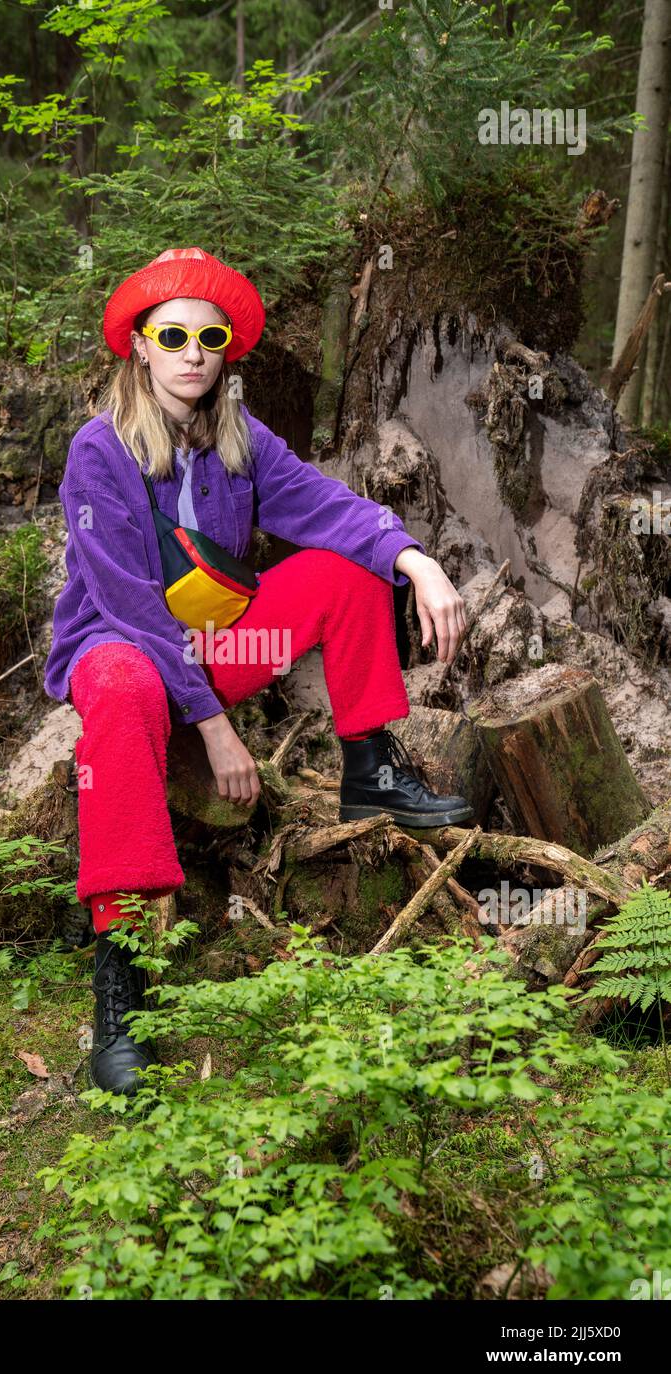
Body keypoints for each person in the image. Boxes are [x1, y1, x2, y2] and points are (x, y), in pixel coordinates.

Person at [43, 246, 473, 1095]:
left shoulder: (240, 439)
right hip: (117, 651)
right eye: (173, 334)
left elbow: (329, 509)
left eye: (210, 335)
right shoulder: (100, 451)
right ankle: (120, 990)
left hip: (213, 645)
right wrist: (213, 728)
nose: (193, 350)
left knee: (346, 571)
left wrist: (416, 561)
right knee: (128, 685)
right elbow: (130, 606)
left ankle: (370, 766)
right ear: (140, 344)